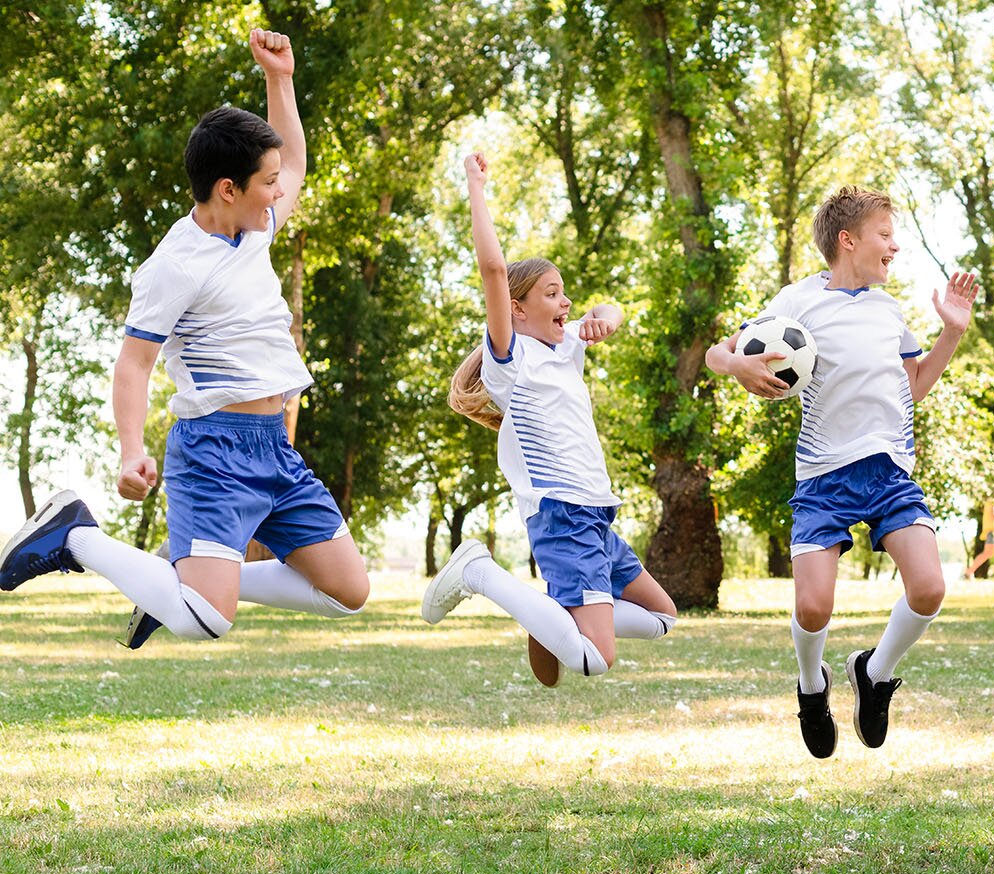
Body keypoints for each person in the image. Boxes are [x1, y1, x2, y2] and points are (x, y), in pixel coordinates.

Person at [1, 30, 370, 646]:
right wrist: (128, 452)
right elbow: (134, 364)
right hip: (215, 451)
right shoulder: (175, 265)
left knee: (349, 594)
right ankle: (74, 536)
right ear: (229, 188)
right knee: (207, 623)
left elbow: (296, 163)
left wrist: (281, 79)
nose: (281, 191)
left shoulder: (253, 228)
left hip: (272, 445)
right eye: (267, 182)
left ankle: (176, 581)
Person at [706, 185, 978, 758]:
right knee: (813, 608)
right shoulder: (798, 301)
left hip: (889, 474)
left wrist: (950, 331)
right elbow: (717, 352)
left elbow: (915, 387)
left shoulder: (888, 309)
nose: (895, 247)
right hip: (824, 479)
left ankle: (874, 674)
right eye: (885, 235)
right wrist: (738, 366)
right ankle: (811, 685)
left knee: (929, 588)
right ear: (848, 240)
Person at [421, 152, 676, 687]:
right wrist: (476, 187)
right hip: (562, 514)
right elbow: (492, 269)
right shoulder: (510, 358)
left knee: (661, 616)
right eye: (551, 293)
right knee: (594, 657)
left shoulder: (564, 347)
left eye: (564, 293)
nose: (565, 303)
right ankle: (479, 574)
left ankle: (551, 614)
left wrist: (603, 321)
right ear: (516, 309)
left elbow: (612, 309)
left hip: (596, 516)